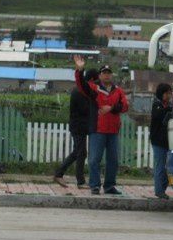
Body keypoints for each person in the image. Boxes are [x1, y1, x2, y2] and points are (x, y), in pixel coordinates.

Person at [73, 55, 129, 195]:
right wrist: (80, 71)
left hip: (113, 131)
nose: (106, 75)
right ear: (99, 75)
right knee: (94, 160)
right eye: (104, 73)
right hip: (97, 129)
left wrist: (111, 108)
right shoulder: (94, 88)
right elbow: (81, 85)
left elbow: (125, 106)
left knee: (113, 161)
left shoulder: (118, 91)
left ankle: (109, 186)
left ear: (112, 75)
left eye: (109, 73)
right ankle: (95, 185)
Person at [53, 69, 98, 188]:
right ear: (92, 79)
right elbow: (85, 109)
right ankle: (78, 181)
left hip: (80, 126)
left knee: (78, 152)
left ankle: (60, 174)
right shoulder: (80, 92)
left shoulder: (80, 90)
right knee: (81, 152)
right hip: (78, 126)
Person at [150, 83, 173, 199]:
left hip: (168, 141)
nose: (169, 95)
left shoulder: (170, 106)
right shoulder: (157, 105)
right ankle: (159, 191)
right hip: (158, 141)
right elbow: (158, 115)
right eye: (166, 93)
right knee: (160, 166)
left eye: (170, 93)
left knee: (168, 167)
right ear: (161, 93)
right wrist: (169, 110)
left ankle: (162, 188)